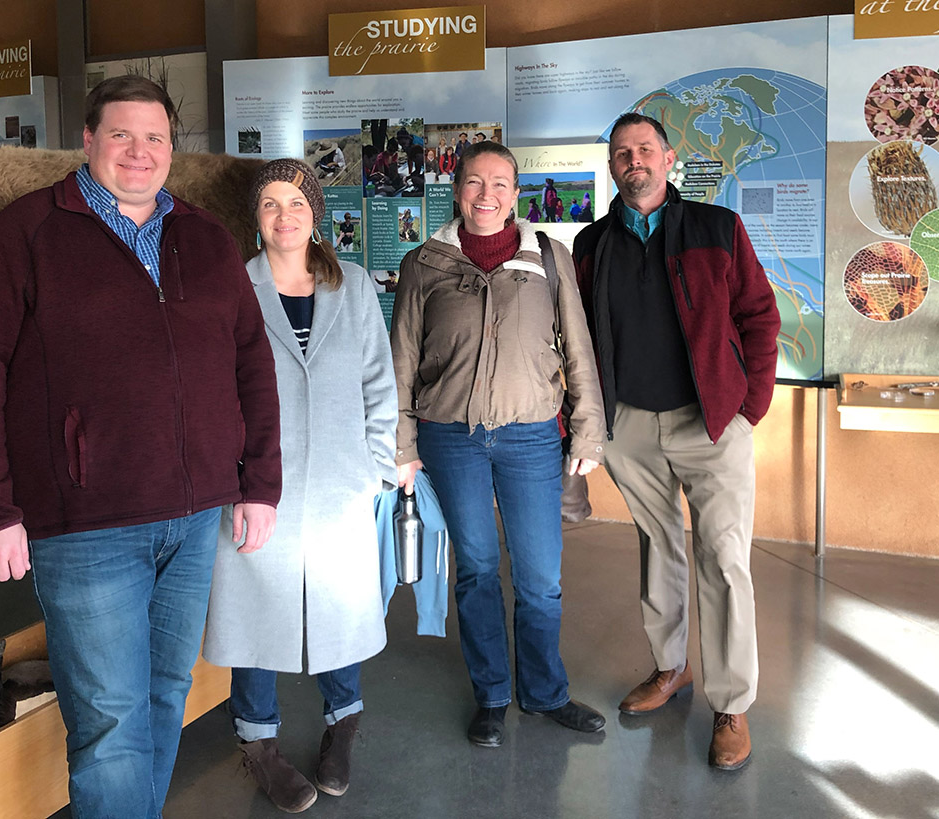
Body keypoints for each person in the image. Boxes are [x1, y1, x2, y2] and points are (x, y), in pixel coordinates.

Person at [0, 76, 282, 818]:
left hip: (191, 521)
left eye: (154, 137)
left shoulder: (207, 240)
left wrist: (258, 482)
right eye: (120, 135)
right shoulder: (25, 234)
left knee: (162, 698)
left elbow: (251, 360)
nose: (139, 152)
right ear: (87, 141)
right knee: (112, 725)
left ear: (170, 150)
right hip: (86, 529)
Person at [572, 113, 780, 771]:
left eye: (643, 149)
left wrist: (750, 405)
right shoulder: (593, 243)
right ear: (611, 167)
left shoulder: (716, 229)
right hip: (630, 424)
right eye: (620, 152)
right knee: (657, 545)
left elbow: (758, 315)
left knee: (723, 558)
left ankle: (731, 701)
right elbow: (576, 339)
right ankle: (671, 667)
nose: (632, 160)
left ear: (668, 159)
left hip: (711, 422)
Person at [390, 141, 608, 749]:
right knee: (478, 569)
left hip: (531, 437)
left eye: (500, 184)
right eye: (474, 183)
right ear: (456, 190)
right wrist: (402, 443)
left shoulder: (548, 257)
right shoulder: (424, 263)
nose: (487, 195)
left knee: (540, 577)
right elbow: (402, 358)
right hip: (449, 439)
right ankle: (491, 694)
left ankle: (545, 693)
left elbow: (579, 350)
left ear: (516, 194)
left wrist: (588, 426)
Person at [204, 158, 397, 813]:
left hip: (342, 484)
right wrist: (231, 481)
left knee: (338, 602)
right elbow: (214, 394)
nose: (285, 215)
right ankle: (258, 741)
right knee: (255, 608)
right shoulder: (232, 288)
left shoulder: (357, 287)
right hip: (258, 485)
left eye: (297, 202)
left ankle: (345, 716)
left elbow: (380, 383)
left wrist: (373, 469)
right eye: (270, 204)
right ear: (255, 218)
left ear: (316, 212)